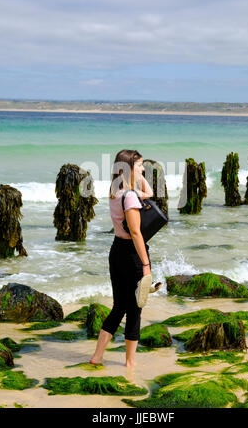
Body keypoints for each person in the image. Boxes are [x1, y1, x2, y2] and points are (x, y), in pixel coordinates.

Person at [90, 149, 154, 367]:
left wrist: (135, 173)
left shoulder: (116, 191)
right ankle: (130, 362)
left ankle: (98, 356)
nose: (143, 169)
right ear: (128, 169)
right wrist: (145, 265)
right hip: (132, 254)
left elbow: (150, 192)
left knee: (119, 306)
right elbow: (136, 233)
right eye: (140, 166)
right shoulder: (130, 197)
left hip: (116, 251)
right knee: (135, 309)